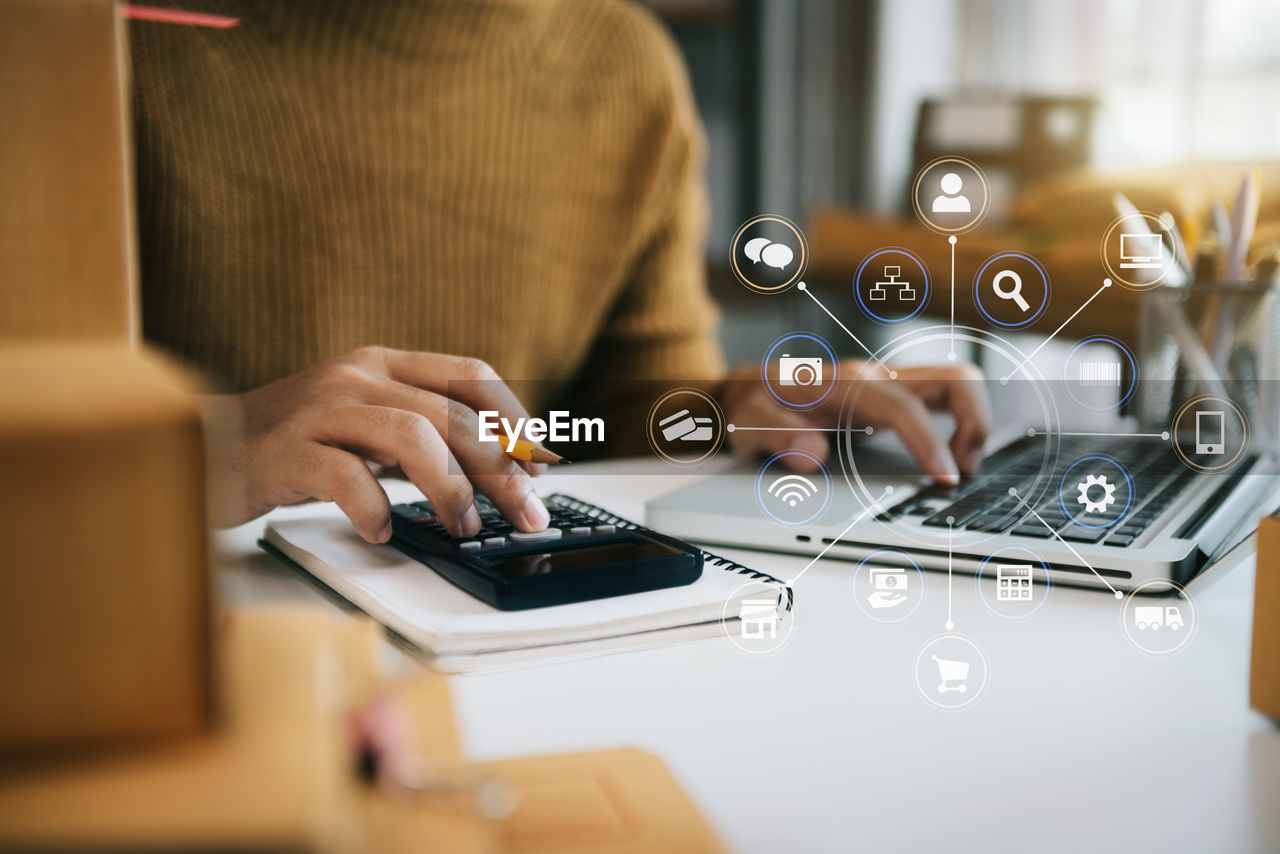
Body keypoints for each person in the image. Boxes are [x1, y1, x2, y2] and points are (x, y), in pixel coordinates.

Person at [129, 0, 989, 545]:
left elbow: (612, 417)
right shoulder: (102, 40)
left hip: (511, 629)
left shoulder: (624, 63)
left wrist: (734, 408)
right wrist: (207, 447)